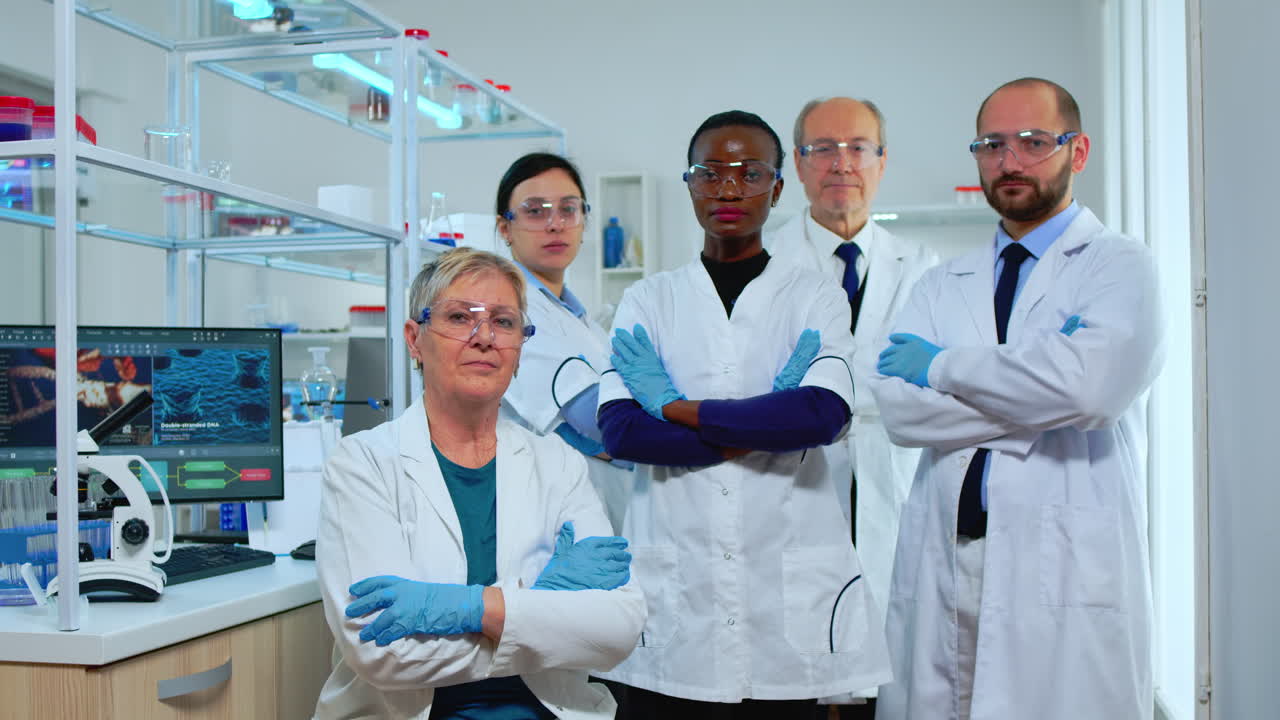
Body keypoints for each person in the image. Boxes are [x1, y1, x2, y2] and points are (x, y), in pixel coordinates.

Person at [870, 78, 1164, 720]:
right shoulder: (940, 283)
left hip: (1061, 563)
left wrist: (942, 367)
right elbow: (899, 409)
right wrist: (1037, 388)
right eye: (992, 144)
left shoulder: (1120, 266)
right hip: (949, 554)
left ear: (1077, 152)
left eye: (1034, 142)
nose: (1010, 161)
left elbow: (1092, 392)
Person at [595, 110, 890, 718]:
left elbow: (822, 415)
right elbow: (622, 430)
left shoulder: (814, 295)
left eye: (750, 173)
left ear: (777, 187)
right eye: (710, 172)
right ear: (690, 184)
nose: (729, 189)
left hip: (783, 599)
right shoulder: (648, 299)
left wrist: (674, 407)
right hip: (677, 596)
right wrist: (762, 424)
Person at [314, 247, 647, 719]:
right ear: (414, 339)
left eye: (504, 321)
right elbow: (382, 653)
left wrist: (471, 609)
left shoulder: (558, 463)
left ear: (520, 346)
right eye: (458, 317)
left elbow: (617, 631)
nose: (484, 337)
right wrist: (545, 609)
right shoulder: (364, 463)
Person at [766, 97, 938, 718]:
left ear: (882, 161)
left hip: (894, 486)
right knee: (801, 681)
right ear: (799, 166)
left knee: (892, 678)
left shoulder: (924, 270)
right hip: (796, 495)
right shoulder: (764, 267)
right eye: (823, 149)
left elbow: (939, 390)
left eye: (858, 147)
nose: (842, 163)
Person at [497, 152, 634, 533]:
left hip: (602, 510)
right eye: (535, 211)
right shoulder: (511, 306)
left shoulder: (582, 319)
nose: (555, 224)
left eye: (568, 209)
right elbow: (593, 420)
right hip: (548, 518)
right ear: (505, 228)